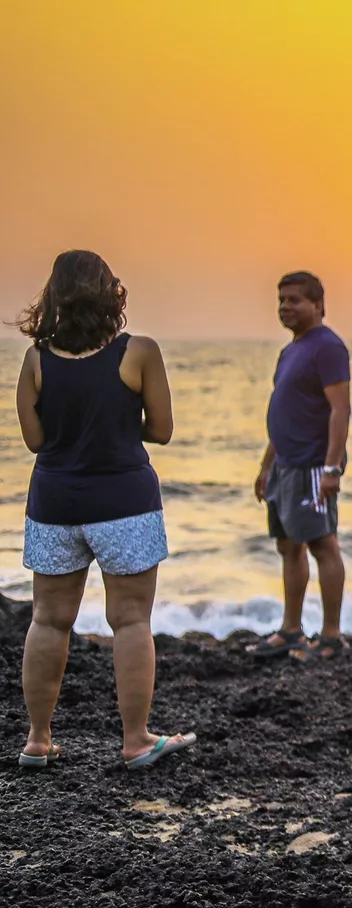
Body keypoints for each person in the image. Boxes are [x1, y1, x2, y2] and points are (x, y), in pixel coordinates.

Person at [11, 251, 196, 769]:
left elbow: (34, 440)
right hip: (125, 502)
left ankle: (38, 740)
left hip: (54, 501)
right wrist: (115, 428)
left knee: (48, 622)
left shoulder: (35, 359)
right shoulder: (139, 351)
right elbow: (161, 429)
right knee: (132, 621)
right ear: (108, 291)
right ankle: (136, 740)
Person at [249, 272, 352, 661]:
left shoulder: (328, 348)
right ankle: (291, 630)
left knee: (323, 545)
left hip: (312, 466)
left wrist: (331, 469)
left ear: (318, 305)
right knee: (288, 546)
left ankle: (330, 637)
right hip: (285, 467)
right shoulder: (291, 351)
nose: (285, 307)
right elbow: (285, 412)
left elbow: (340, 410)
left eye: (294, 300)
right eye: (281, 301)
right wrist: (266, 466)